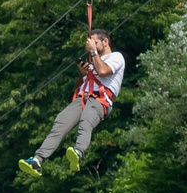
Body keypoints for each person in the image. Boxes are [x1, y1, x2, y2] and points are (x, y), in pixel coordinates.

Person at [19, 29, 126, 178]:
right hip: (83, 97)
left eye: (95, 42)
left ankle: (78, 152)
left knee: (86, 121)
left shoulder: (116, 57)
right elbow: (79, 87)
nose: (91, 46)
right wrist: (82, 74)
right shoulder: (93, 62)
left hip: (100, 101)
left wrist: (93, 53)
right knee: (60, 122)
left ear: (105, 42)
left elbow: (102, 71)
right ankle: (37, 159)